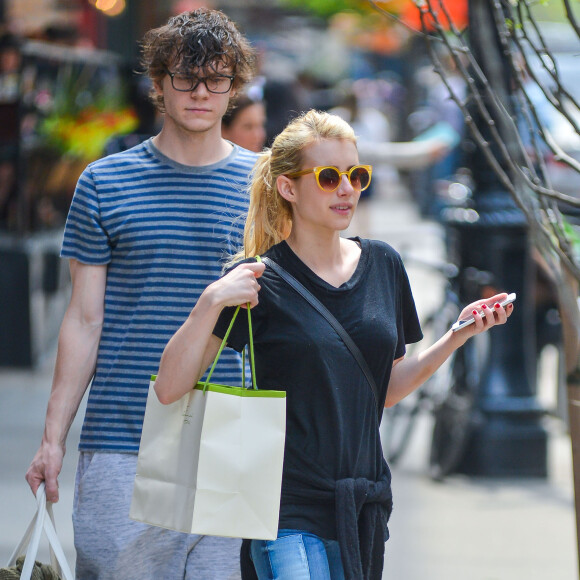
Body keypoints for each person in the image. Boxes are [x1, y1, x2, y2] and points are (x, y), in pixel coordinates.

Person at [154, 110, 514, 580]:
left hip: (359, 508)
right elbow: (169, 387)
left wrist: (457, 335)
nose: (347, 189)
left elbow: (384, 390)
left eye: (356, 175)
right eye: (328, 177)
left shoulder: (384, 265)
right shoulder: (259, 278)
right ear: (288, 187)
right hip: (284, 509)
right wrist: (209, 303)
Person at [25, 8, 257, 580]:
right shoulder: (105, 182)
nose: (201, 92)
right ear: (157, 84)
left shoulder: (265, 189)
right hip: (122, 432)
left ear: (234, 88)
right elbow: (83, 319)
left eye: (217, 78)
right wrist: (52, 438)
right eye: (185, 77)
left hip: (230, 433)